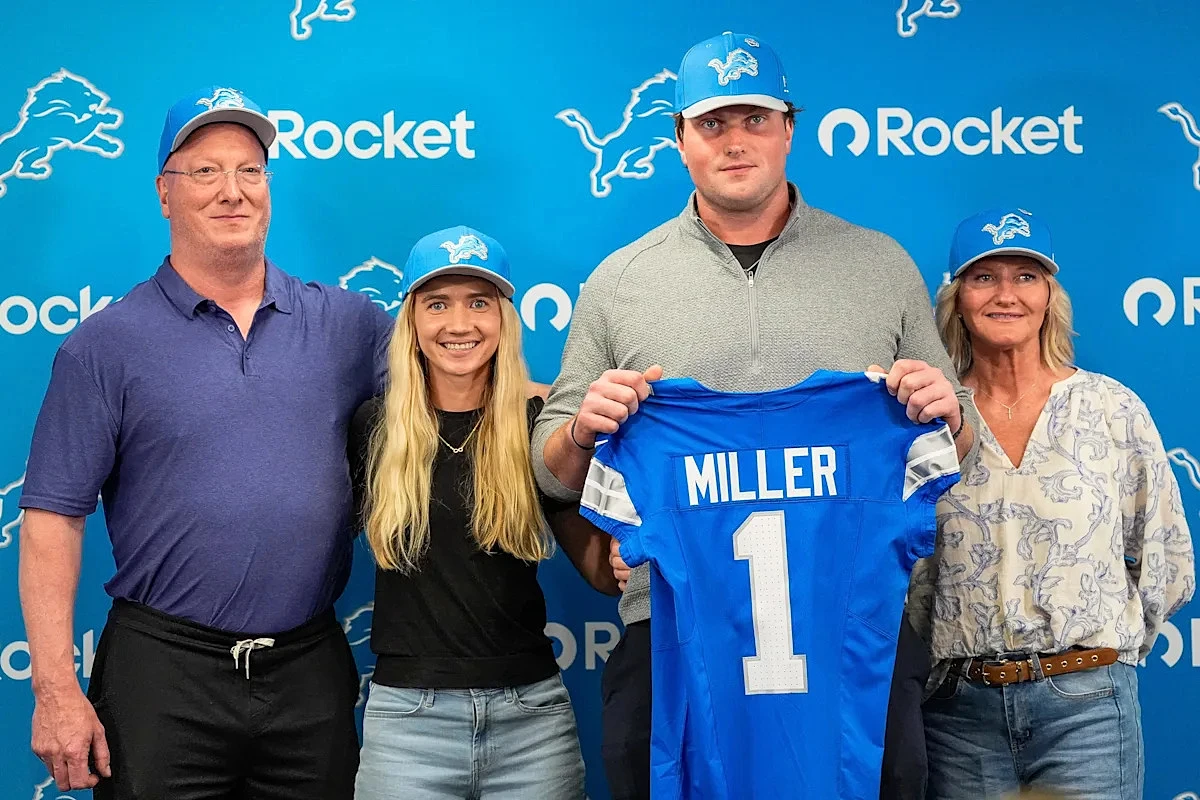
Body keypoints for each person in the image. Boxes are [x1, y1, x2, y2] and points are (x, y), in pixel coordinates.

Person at [531, 31, 979, 800]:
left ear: (788, 130)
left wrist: (948, 416)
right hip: (673, 632)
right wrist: (581, 431)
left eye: (755, 120)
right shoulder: (619, 280)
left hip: (852, 632)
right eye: (711, 123)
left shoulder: (879, 264)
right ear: (679, 140)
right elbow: (552, 471)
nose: (735, 142)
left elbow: (955, 448)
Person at [18, 86, 397, 798]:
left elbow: (469, 389)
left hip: (309, 672)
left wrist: (572, 409)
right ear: (164, 193)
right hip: (163, 676)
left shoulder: (350, 325)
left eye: (250, 171)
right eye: (205, 172)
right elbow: (52, 520)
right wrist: (56, 691)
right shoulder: (104, 346)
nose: (232, 191)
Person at [907, 208, 1195, 800]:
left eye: (1026, 276)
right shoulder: (927, 421)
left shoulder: (1111, 409)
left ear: (1049, 297)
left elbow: (1165, 559)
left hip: (1087, 708)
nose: (1006, 294)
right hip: (958, 716)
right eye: (984, 277)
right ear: (957, 299)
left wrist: (1103, 654)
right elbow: (906, 572)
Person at [349, 226, 608, 799]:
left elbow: (599, 569)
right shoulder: (374, 426)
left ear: (504, 317)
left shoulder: (540, 421)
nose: (459, 323)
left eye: (479, 303)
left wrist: (629, 555)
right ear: (412, 320)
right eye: (438, 304)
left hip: (531, 723)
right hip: (406, 724)